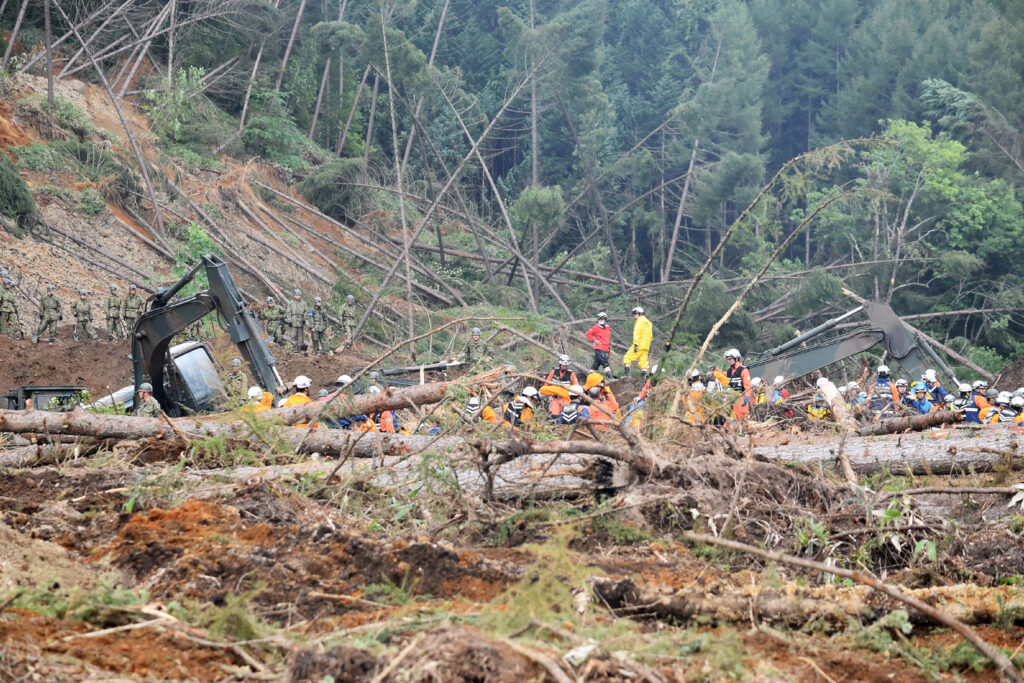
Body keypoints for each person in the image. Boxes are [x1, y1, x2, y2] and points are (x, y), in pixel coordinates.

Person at [622, 306, 652, 377]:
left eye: (636, 314)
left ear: (640, 314)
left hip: (638, 345)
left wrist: (635, 344)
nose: (635, 316)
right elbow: (650, 336)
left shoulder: (639, 322)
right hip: (646, 346)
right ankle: (643, 378)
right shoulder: (649, 323)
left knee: (627, 357)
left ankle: (627, 376)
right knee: (643, 361)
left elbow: (637, 334)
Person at [724, 349, 753, 419]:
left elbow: (748, 386)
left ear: (736, 359)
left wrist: (747, 396)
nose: (728, 361)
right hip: (732, 399)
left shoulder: (744, 371)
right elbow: (722, 376)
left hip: (741, 398)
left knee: (742, 420)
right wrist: (715, 371)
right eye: (728, 359)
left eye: (730, 359)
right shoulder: (730, 371)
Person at [585, 312, 613, 377]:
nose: (601, 321)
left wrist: (608, 349)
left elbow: (607, 339)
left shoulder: (608, 327)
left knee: (595, 365)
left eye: (602, 319)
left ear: (605, 320)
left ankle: (588, 377)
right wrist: (594, 340)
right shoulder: (595, 327)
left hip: (605, 348)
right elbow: (588, 334)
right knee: (605, 364)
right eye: (599, 319)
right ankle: (611, 378)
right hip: (599, 349)